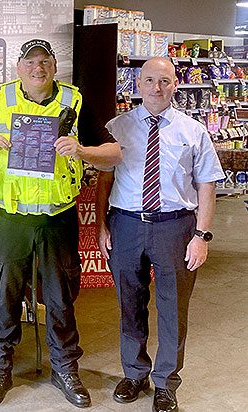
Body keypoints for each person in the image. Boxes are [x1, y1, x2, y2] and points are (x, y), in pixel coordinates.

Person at [0, 39, 122, 408]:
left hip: (56, 219)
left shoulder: (75, 101)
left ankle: (65, 368)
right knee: (3, 296)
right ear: (19, 67)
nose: (38, 68)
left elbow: (113, 153)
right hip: (11, 217)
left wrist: (82, 151)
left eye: (45, 62)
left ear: (54, 66)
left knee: (61, 298)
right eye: (31, 62)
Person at [96, 57, 225, 412]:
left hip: (176, 228)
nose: (157, 88)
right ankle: (134, 373)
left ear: (175, 85)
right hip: (126, 224)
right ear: (138, 84)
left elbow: (206, 185)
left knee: (173, 307)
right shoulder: (117, 127)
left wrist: (202, 235)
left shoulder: (193, 131)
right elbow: (105, 179)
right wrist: (100, 224)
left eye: (165, 81)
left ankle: (166, 383)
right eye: (150, 80)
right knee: (129, 303)